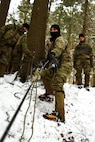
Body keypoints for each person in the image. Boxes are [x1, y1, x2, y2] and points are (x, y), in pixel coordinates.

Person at [39, 24, 72, 122]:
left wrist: (53, 53)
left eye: (55, 29)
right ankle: (49, 94)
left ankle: (59, 115)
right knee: (45, 74)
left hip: (64, 65)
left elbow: (59, 49)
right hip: (56, 65)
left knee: (57, 85)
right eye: (51, 29)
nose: (53, 31)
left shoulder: (60, 39)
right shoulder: (52, 42)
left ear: (58, 31)